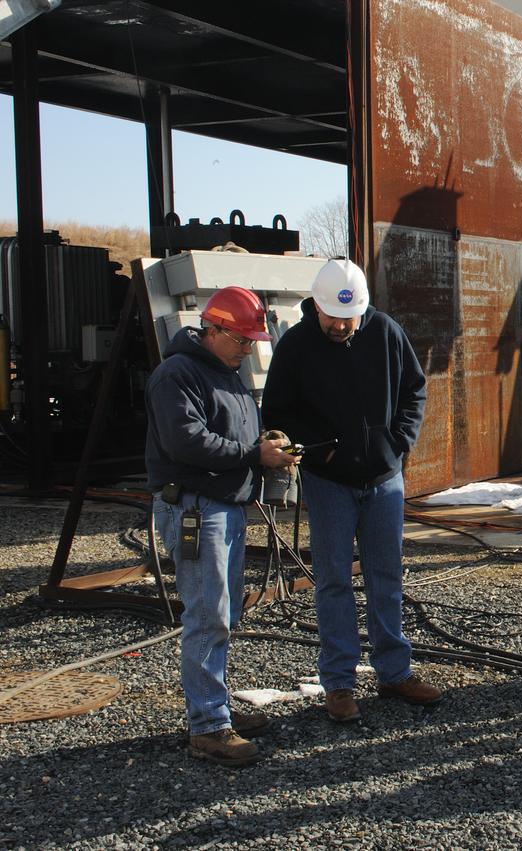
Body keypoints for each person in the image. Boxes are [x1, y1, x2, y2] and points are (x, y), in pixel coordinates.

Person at [262, 258, 439, 723]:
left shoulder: (386, 332)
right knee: (334, 581)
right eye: (332, 317)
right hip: (329, 482)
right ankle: (339, 683)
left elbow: (414, 391)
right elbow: (278, 410)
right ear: (315, 307)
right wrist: (321, 452)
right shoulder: (297, 346)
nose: (341, 325)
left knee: (387, 576)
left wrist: (396, 445)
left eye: (349, 317)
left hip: (383, 480)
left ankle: (394, 672)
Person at [146, 286, 298, 766]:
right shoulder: (177, 374)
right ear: (212, 330)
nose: (248, 349)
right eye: (241, 340)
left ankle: (215, 709)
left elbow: (232, 434)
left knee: (223, 613)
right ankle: (209, 725)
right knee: (207, 614)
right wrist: (255, 454)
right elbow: (186, 442)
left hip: (224, 509)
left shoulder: (226, 373)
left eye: (253, 341)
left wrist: (266, 443)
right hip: (194, 508)